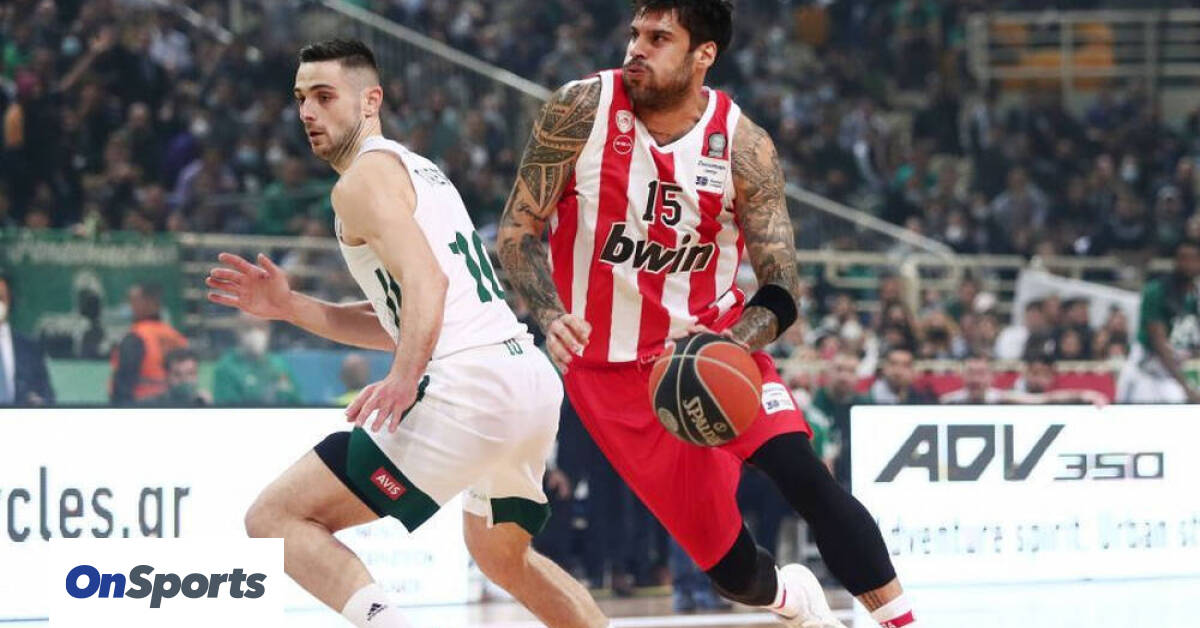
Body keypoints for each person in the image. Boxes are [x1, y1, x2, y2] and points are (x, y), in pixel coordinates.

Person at [496, 3, 915, 627]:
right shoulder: (580, 109)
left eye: (659, 38)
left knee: (805, 477)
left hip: (714, 351)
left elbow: (781, 289)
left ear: (704, 55)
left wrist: (729, 346)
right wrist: (551, 312)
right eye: (635, 34)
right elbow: (518, 230)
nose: (636, 48)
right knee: (733, 572)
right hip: (610, 377)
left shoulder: (744, 146)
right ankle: (790, 598)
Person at [205, 40, 608, 628]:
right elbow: (408, 315)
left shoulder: (360, 182)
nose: (308, 112)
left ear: (371, 101)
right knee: (502, 555)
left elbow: (427, 285)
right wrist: (291, 307)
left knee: (275, 519)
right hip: (525, 378)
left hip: (468, 386)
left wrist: (404, 377)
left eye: (324, 96)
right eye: (300, 99)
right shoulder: (417, 169)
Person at [1117, 239, 1200, 403]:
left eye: (1193, 258)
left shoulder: (1195, 295)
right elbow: (1159, 344)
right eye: (1183, 258)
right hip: (1146, 369)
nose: (1188, 264)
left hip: (1176, 367)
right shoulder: (1157, 291)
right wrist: (1187, 388)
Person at [109, 282, 188, 405]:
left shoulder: (136, 337)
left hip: (141, 404)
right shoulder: (176, 337)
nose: (130, 306)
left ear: (149, 302)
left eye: (133, 301)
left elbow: (124, 382)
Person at [940, 356, 1107, 406]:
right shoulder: (947, 402)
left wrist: (1085, 394)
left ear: (991, 377)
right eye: (971, 373)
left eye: (981, 373)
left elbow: (1045, 399)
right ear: (962, 376)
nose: (976, 379)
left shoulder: (1002, 399)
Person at [212, 314, 301, 405]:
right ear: (237, 332)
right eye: (247, 327)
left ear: (268, 330)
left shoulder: (278, 364)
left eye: (260, 326)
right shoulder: (226, 368)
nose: (255, 333)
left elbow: (296, 401)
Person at [811, 351, 869, 488]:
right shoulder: (813, 404)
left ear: (858, 377)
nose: (844, 376)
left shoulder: (865, 406)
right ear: (827, 373)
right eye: (839, 369)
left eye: (851, 371)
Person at [0, 272, 55, 405]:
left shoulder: (30, 349)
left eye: (1, 298)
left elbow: (47, 395)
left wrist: (38, 402)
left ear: (10, 301)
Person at [144, 347, 211, 406]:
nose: (184, 380)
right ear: (167, 376)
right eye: (177, 374)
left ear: (197, 375)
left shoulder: (203, 402)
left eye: (190, 373)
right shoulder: (151, 405)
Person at [867, 348, 936, 405]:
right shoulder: (866, 400)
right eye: (893, 364)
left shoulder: (924, 400)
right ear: (884, 368)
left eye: (905, 365)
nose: (898, 371)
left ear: (913, 372)